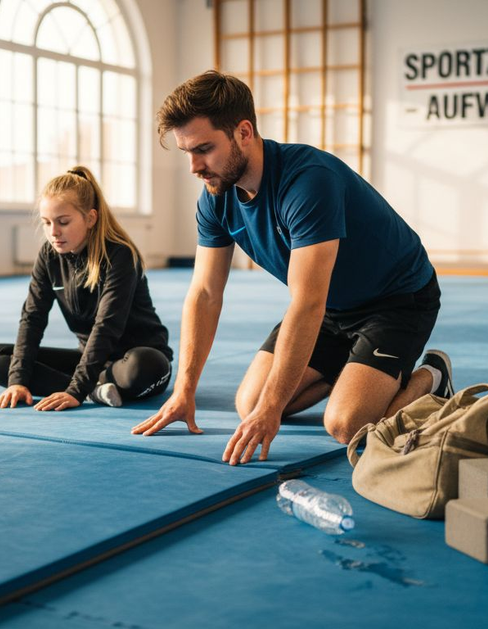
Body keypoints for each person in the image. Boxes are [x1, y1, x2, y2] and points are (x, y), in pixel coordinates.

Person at [132, 71, 453, 465]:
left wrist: (273, 410)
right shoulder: (216, 196)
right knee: (250, 402)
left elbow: (306, 302)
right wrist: (185, 389)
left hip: (396, 300)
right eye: (187, 153)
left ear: (244, 132)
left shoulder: (307, 181)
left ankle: (430, 378)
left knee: (346, 425)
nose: (195, 166)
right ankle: (357, 370)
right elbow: (204, 294)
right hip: (332, 307)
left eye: (204, 149)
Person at [0, 166, 173, 411]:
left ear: (90, 218)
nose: (53, 232)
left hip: (130, 360)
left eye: (63, 222)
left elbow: (107, 325)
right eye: (46, 223)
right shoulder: (49, 256)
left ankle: (91, 385)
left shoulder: (120, 255)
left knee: (146, 365)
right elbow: (32, 318)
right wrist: (17, 381)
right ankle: (97, 390)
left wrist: (76, 390)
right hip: (90, 360)